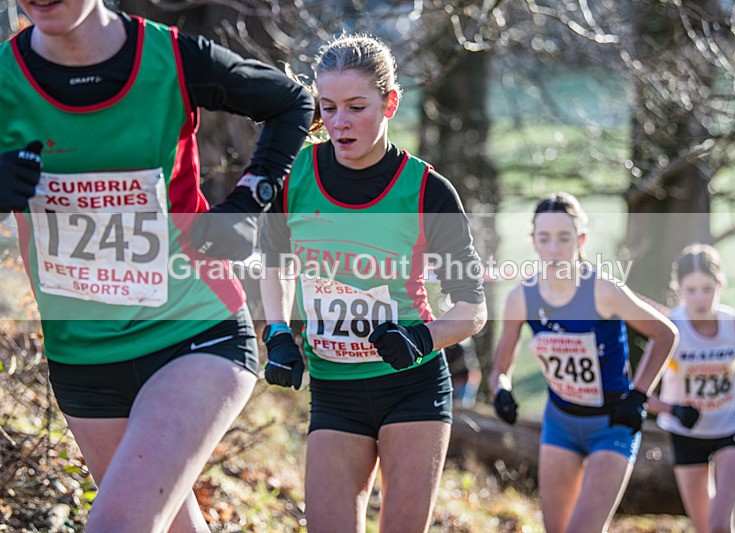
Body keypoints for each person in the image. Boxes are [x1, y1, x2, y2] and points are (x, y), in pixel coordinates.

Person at [0, 1, 313, 531]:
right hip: (83, 358)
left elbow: (291, 103)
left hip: (193, 331)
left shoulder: (173, 58)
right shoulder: (6, 79)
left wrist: (246, 203)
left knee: (118, 524)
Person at [259, 35, 487, 533]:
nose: (340, 122)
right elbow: (275, 264)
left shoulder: (427, 190)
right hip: (334, 389)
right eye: (329, 107)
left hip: (413, 386)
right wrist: (277, 331)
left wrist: (419, 339)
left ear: (390, 102)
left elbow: (473, 308)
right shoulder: (294, 175)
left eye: (357, 107)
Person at [488, 192, 678, 533]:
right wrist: (501, 391)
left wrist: (639, 395)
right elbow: (500, 370)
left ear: (581, 240)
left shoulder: (603, 290)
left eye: (564, 238)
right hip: (560, 422)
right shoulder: (522, 299)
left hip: (612, 424)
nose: (554, 248)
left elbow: (665, 334)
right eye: (544, 238)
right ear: (534, 241)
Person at [647, 244, 735, 533]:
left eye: (707, 289)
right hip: (686, 433)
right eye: (691, 290)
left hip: (731, 427)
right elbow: (640, 393)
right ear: (679, 288)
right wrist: (673, 409)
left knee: (719, 524)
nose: (700, 298)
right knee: (703, 527)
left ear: (720, 285)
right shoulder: (669, 328)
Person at [444, 337, 482, 408]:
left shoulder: (461, 344)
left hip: (467, 379)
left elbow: (466, 365)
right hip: (463, 378)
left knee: (463, 407)